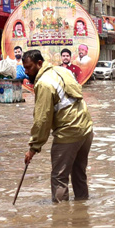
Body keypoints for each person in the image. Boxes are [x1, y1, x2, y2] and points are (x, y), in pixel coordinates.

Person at [22, 49, 94, 202]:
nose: (27, 72)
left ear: (39, 63)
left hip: (68, 132)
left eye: (29, 67)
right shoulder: (62, 71)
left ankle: (60, 219)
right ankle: (82, 213)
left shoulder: (43, 83)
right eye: (25, 68)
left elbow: (42, 120)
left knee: (59, 178)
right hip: (86, 128)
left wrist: (33, 148)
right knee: (79, 173)